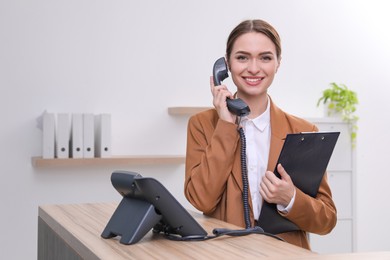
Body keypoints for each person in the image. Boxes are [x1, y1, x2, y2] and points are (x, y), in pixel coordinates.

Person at [184, 19, 337, 250]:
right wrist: (226, 126)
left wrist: (291, 198)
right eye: (242, 57)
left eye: (265, 58)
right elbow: (201, 200)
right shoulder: (202, 125)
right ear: (225, 65)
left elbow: (326, 220)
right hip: (226, 254)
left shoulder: (303, 130)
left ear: (277, 63)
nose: (254, 68)